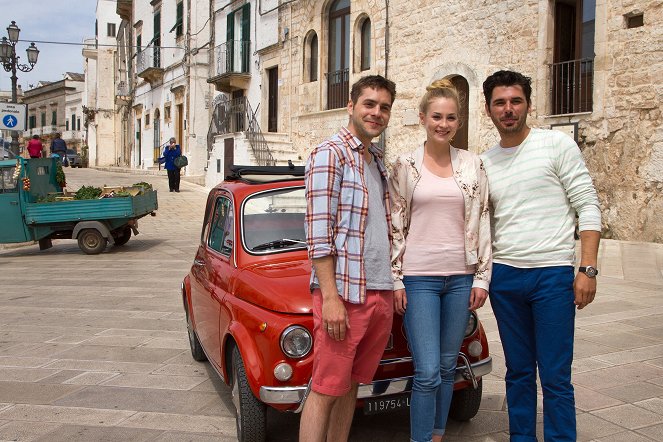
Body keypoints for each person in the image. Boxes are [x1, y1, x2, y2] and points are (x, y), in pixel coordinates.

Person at [480, 70, 601, 442]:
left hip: (551, 276)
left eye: (515, 101)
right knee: (517, 371)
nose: (509, 109)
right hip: (505, 277)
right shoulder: (485, 162)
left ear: (528, 105)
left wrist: (588, 268)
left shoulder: (557, 145)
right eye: (500, 103)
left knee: (554, 375)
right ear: (489, 110)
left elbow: (588, 204)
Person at [389, 79, 491, 442]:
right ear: (423, 118)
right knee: (428, 370)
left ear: (458, 122)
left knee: (449, 367)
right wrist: (396, 278)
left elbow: (483, 221)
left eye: (450, 118)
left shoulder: (472, 164)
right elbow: (394, 223)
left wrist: (481, 277)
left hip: (460, 278)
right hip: (419, 278)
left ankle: (436, 434)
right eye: (436, 116)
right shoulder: (405, 165)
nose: (443, 124)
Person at [300, 75, 397, 442]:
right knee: (325, 387)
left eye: (384, 107)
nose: (376, 113)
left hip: (379, 289)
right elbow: (319, 236)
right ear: (351, 107)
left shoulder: (376, 161)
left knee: (352, 386)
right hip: (345, 294)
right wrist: (330, 298)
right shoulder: (331, 154)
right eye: (369, 104)